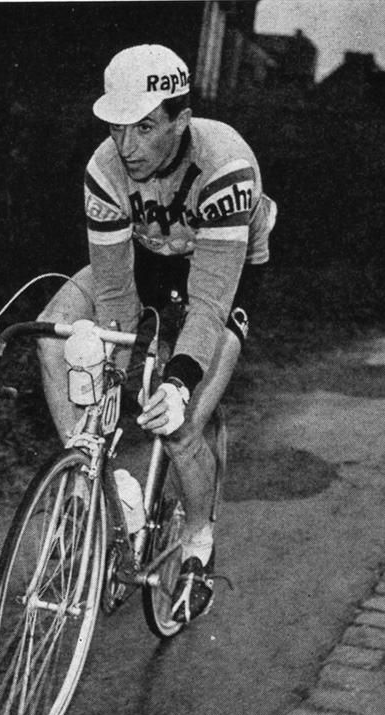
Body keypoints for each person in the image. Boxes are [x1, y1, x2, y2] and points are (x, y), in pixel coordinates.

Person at [37, 44, 276, 623]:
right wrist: (111, 385)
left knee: (183, 420)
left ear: (181, 121)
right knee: (55, 332)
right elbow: (117, 294)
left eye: (145, 128)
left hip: (223, 268)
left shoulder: (226, 165)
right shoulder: (104, 168)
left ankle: (197, 542)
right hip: (146, 258)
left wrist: (176, 382)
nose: (128, 147)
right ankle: (93, 480)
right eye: (118, 128)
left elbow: (210, 301)